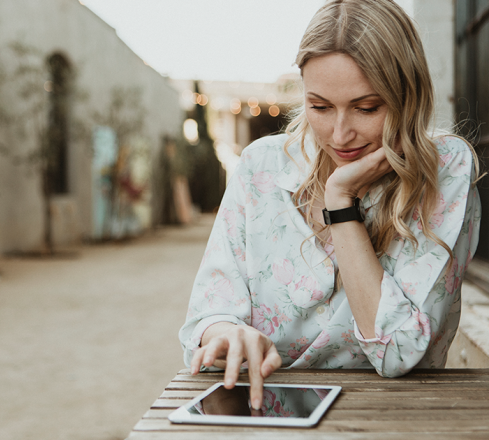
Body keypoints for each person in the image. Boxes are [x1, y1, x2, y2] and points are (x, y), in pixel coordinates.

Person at [178, 0, 482, 412]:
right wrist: (225, 333)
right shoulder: (261, 166)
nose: (340, 134)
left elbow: (399, 352)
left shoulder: (445, 170)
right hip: (266, 414)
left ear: (407, 96)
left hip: (397, 418)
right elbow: (206, 315)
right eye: (319, 107)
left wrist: (341, 205)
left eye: (367, 107)